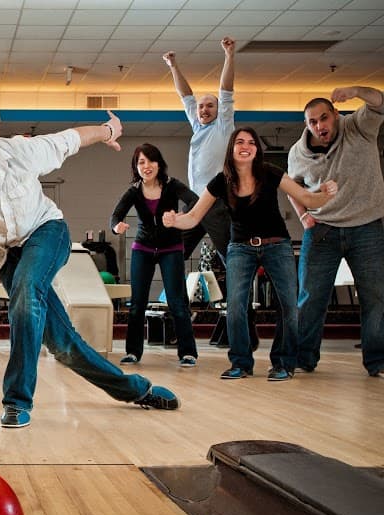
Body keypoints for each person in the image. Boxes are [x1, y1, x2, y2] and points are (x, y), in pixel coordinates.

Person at [0, 94, 180, 429]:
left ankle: (17, 400)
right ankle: (137, 390)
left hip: (47, 232)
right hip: (8, 254)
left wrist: (108, 131)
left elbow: (70, 140)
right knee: (64, 345)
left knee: (26, 292)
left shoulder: (22, 152)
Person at [163, 127, 337, 381]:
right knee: (235, 307)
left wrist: (326, 193)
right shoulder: (221, 181)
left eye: (251, 142)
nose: (246, 146)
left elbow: (307, 199)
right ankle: (241, 363)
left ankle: (283, 363)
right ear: (232, 149)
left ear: (257, 149)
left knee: (289, 306)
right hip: (240, 249)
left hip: (277, 245)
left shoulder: (270, 172)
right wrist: (173, 220)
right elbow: (192, 217)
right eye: (240, 142)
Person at [286, 86, 384, 377]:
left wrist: (355, 90)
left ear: (336, 116)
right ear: (306, 125)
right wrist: (303, 216)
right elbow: (293, 187)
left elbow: (380, 103)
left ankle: (377, 361)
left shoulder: (358, 127)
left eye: (324, 118)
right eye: (313, 122)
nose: (319, 126)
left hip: (366, 227)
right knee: (310, 297)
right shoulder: (297, 153)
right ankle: (303, 358)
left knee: (375, 297)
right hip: (321, 231)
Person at [109, 144, 199, 368]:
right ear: (136, 167)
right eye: (141, 162)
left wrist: (180, 216)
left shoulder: (172, 185)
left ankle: (187, 352)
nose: (146, 166)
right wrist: (116, 227)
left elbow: (195, 201)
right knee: (137, 303)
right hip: (144, 248)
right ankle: (133, 352)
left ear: (159, 164)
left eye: (151, 161)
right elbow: (115, 215)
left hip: (171, 248)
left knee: (177, 301)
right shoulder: (134, 191)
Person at [163, 36, 235, 261]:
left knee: (229, 255)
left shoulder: (223, 126)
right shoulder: (197, 126)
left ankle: (237, 295)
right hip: (194, 201)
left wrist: (229, 56)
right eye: (201, 106)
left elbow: (226, 90)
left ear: (218, 109)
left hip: (216, 202)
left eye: (210, 106)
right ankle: (174, 295)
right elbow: (185, 96)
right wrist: (174, 66)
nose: (204, 110)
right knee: (174, 252)